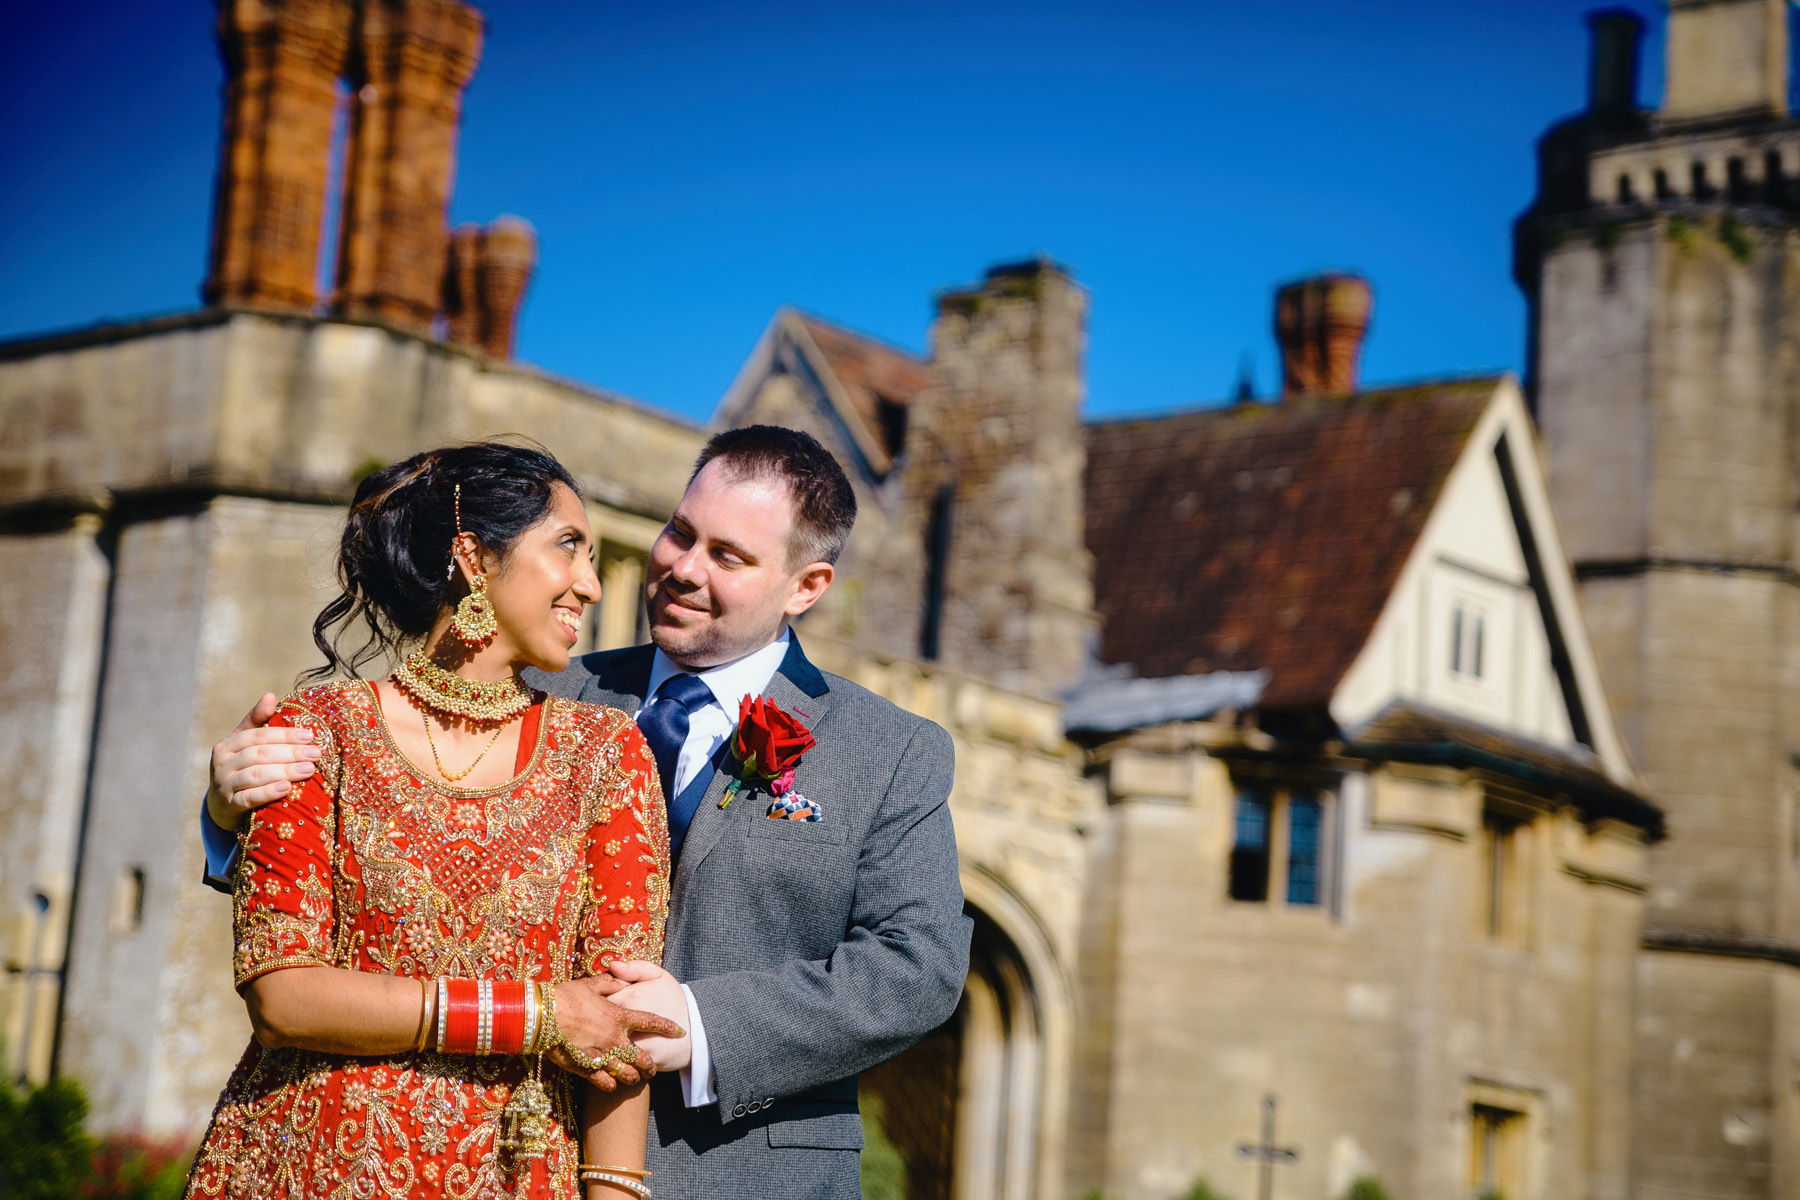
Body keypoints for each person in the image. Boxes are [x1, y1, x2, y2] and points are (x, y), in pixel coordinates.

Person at [202, 426, 972, 1200]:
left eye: (727, 557)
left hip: (750, 1168)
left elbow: (919, 967)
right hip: (511, 1150)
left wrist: (697, 1023)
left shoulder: (889, 749)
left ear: (806, 586)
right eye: (679, 533)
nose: (680, 568)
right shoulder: (544, 686)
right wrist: (228, 815)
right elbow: (376, 870)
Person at [184, 443, 684, 1200]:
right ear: (474, 559)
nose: (590, 582)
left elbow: (619, 1023)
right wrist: (541, 1013)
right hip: (308, 1160)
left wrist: (612, 1191)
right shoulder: (319, 733)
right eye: (568, 547)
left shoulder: (607, 757)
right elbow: (282, 998)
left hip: (516, 1171)